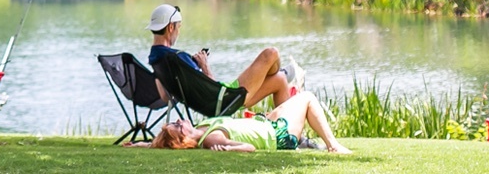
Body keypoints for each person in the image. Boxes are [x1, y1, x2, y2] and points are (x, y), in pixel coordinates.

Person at [147, 4, 303, 110]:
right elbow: (212, 89)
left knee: (280, 81)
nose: (178, 32)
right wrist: (204, 65)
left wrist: (193, 69)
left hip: (215, 102)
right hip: (225, 99)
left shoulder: (157, 59)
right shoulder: (177, 57)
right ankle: (277, 72)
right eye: (178, 28)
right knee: (271, 53)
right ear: (171, 27)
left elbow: (165, 97)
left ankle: (290, 136)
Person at [138, 91, 352, 154]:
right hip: (278, 136)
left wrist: (146, 144)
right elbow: (248, 147)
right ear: (183, 139)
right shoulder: (211, 138)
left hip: (267, 123)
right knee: (307, 97)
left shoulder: (202, 130)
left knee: (288, 91)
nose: (177, 120)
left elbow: (167, 144)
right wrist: (232, 150)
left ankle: (314, 143)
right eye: (177, 126)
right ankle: (333, 146)